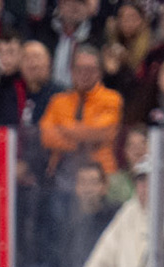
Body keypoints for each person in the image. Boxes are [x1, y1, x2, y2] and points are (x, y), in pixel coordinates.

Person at [39, 45, 122, 184]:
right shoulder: (58, 101)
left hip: (101, 175)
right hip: (63, 173)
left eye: (90, 69)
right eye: (79, 69)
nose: (84, 74)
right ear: (72, 71)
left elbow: (101, 132)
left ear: (100, 72)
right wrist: (84, 141)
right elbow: (47, 136)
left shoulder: (112, 99)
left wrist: (63, 128)